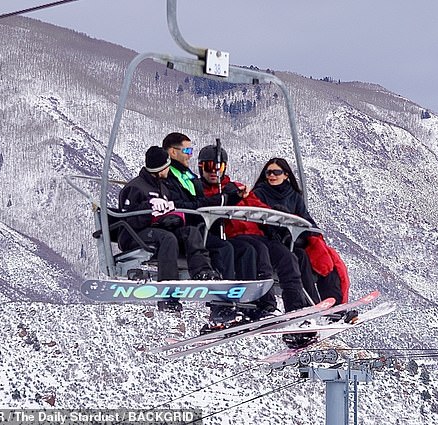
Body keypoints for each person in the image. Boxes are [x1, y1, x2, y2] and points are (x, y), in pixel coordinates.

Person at [199, 145, 320, 347]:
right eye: (209, 166)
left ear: (225, 168)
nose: (214, 171)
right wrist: (226, 198)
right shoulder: (202, 188)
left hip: (257, 235)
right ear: (201, 167)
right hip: (233, 237)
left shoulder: (237, 187)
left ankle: (295, 313)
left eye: (218, 167)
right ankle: (263, 303)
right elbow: (200, 206)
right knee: (257, 251)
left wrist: (273, 213)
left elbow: (258, 207)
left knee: (288, 257)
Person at [162, 133, 260, 329]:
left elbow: (201, 201)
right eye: (187, 150)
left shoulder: (187, 176)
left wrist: (232, 197)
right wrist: (218, 201)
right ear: (173, 152)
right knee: (223, 249)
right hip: (184, 230)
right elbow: (182, 204)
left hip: (199, 228)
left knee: (241, 249)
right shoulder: (168, 175)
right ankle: (221, 306)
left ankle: (239, 304)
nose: (190, 154)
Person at [118, 146, 220, 312]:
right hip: (134, 234)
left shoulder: (163, 187)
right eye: (167, 167)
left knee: (190, 232)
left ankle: (202, 271)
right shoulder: (135, 188)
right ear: (161, 169)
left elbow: (168, 211)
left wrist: (173, 218)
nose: (169, 170)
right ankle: (168, 295)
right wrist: (148, 207)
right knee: (168, 238)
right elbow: (129, 218)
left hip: (159, 229)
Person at [253, 158, 354, 320]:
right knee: (298, 258)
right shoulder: (259, 194)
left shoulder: (294, 196)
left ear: (286, 175)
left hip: (293, 241)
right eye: (268, 172)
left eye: (276, 172)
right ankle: (308, 306)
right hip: (273, 242)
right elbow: (257, 220)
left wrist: (308, 234)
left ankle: (334, 308)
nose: (272, 175)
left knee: (326, 262)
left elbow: (306, 219)